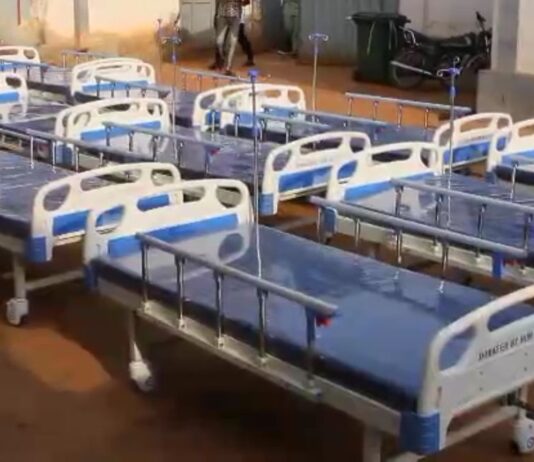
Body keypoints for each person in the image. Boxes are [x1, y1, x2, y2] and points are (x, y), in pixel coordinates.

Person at [211, 0, 254, 70]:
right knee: (220, 40)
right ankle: (219, 61)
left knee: (240, 38)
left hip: (236, 18)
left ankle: (250, 56)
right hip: (223, 16)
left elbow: (246, 2)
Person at [213, 0, 243, 76]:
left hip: (235, 17)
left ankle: (228, 68)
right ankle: (222, 59)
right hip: (222, 15)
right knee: (219, 42)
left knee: (233, 42)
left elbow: (246, 2)